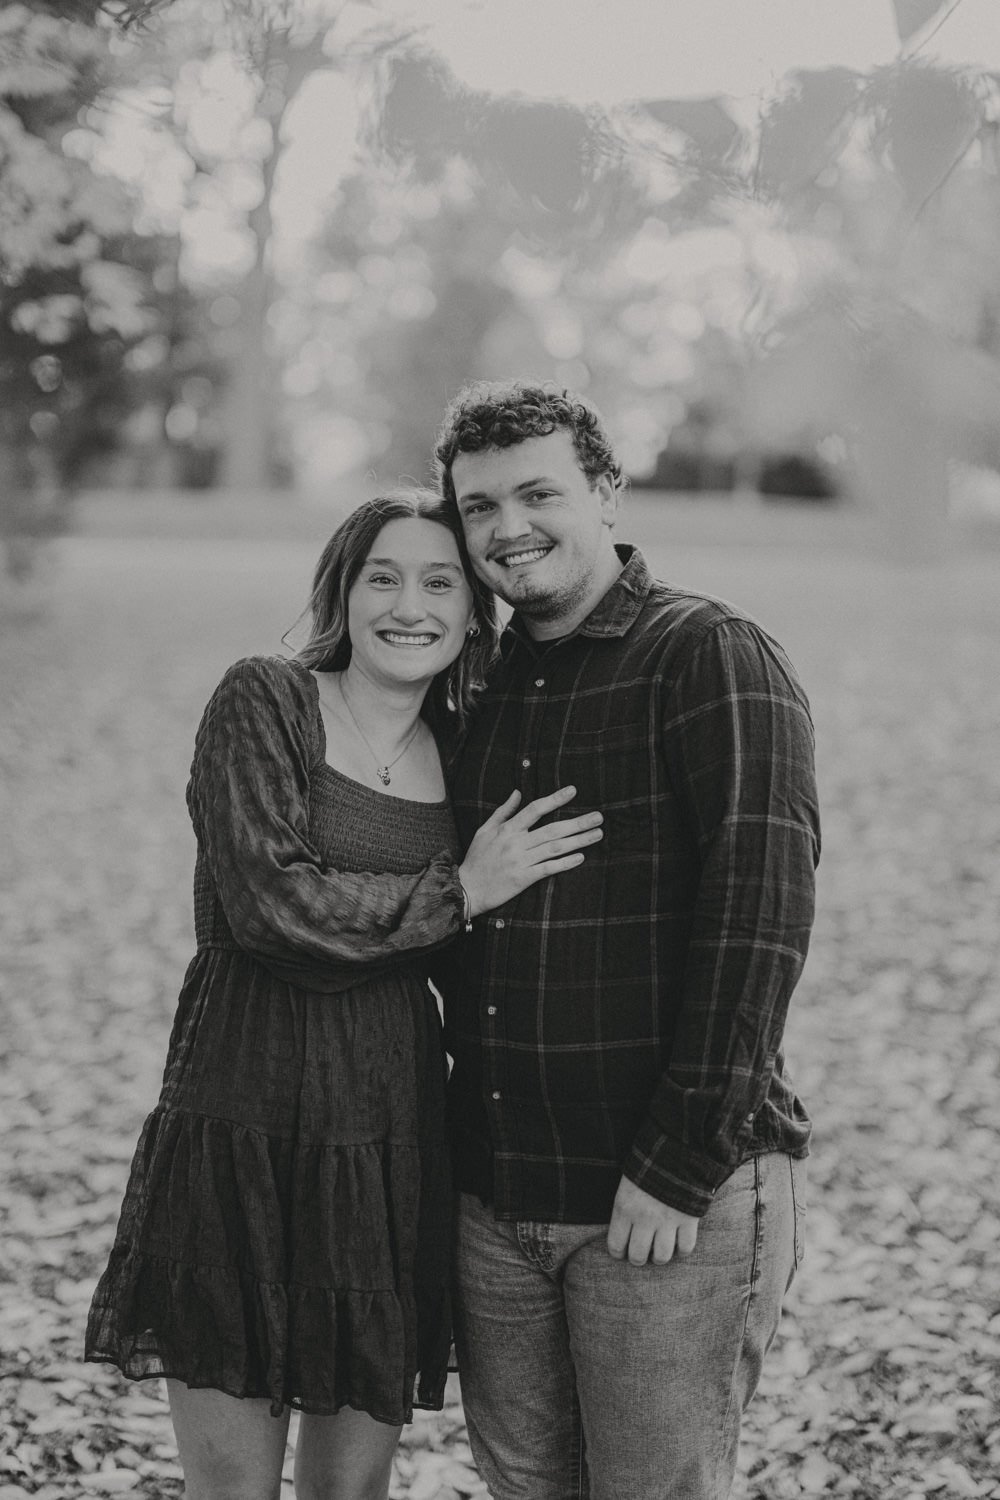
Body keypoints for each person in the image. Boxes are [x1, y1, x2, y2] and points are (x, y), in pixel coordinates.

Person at [85, 489, 604, 1500]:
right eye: (383, 576)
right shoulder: (264, 701)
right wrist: (460, 890)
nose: (409, 605)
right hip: (242, 1111)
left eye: (439, 582)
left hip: (384, 1134)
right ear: (342, 591)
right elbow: (272, 905)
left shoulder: (466, 751)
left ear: (471, 613)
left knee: (349, 1495)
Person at [432, 383, 821, 1500]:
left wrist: (676, 1163)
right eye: (478, 505)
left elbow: (759, 922)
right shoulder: (477, 686)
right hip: (494, 1198)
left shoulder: (707, 654)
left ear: (605, 490)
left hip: (657, 1203)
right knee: (526, 1487)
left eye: (539, 492)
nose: (508, 527)